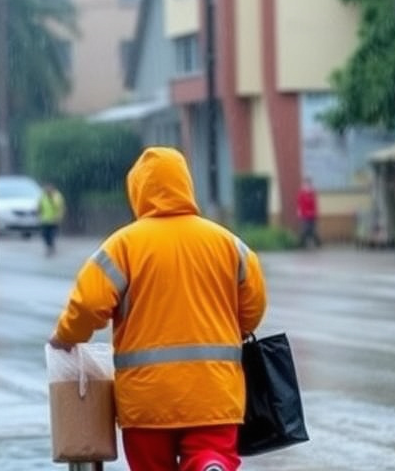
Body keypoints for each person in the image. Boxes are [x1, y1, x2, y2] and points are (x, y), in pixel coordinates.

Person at [48, 147, 267, 471]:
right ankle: (209, 464)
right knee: (211, 450)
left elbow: (89, 303)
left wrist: (66, 335)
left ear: (138, 191)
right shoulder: (229, 244)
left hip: (147, 397)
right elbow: (253, 307)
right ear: (186, 185)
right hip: (214, 391)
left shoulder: (122, 246)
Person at [38, 182, 66, 257]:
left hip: (54, 220)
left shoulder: (57, 196)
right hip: (45, 220)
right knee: (44, 235)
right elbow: (40, 205)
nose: (47, 189)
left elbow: (60, 207)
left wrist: (59, 217)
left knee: (51, 235)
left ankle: (51, 247)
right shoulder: (43, 195)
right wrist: (39, 214)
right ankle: (49, 247)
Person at [297, 177, 321, 248]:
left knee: (313, 230)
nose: (307, 186)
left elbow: (315, 204)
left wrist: (316, 213)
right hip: (304, 215)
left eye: (309, 184)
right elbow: (299, 204)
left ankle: (317, 243)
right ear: (304, 185)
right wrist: (299, 212)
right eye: (306, 184)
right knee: (305, 229)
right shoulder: (301, 193)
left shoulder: (312, 193)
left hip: (312, 214)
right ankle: (301, 244)